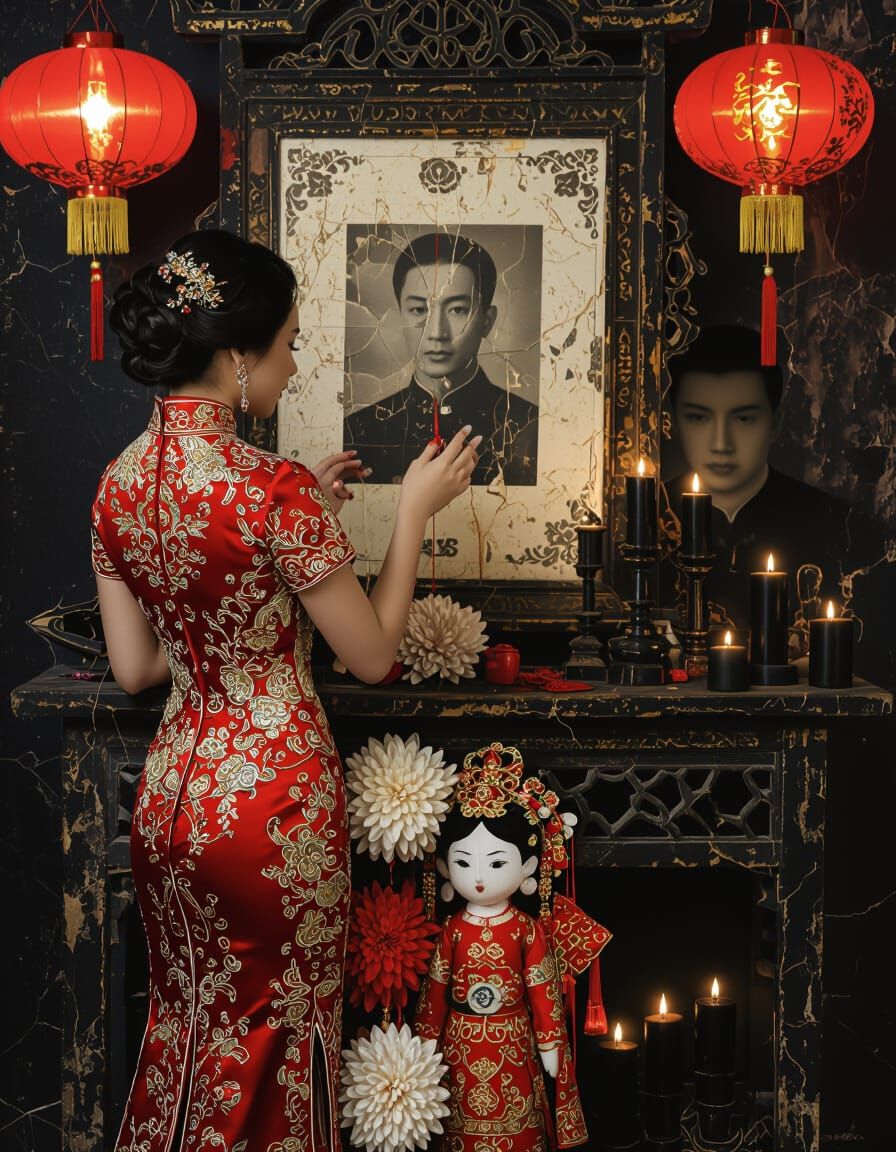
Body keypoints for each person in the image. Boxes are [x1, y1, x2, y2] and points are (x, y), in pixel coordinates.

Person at [91, 228, 480, 1152]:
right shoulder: (272, 492)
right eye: (289, 344)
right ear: (237, 357)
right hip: (273, 805)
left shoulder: (118, 484)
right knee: (279, 1031)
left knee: (189, 1031)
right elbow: (373, 655)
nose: (294, 365)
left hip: (173, 798)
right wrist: (411, 513)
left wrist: (289, 539)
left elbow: (137, 669)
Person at [661, 324, 883, 646]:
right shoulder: (644, 521)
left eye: (744, 419)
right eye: (699, 417)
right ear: (673, 421)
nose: (721, 443)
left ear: (775, 422)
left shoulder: (836, 527)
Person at [414, 743, 589, 1151]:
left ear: (528, 868)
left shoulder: (526, 930)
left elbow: (542, 991)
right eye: (463, 863)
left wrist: (549, 1043)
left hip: (513, 1037)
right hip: (459, 1041)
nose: (478, 878)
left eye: (495, 863)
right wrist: (425, 1041)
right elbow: (435, 991)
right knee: (458, 1118)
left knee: (518, 1116)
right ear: (444, 868)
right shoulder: (452, 930)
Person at [343, 230, 539, 486]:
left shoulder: (530, 425)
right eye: (418, 310)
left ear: (487, 321)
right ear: (400, 316)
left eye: (457, 310)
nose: (436, 332)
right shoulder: (358, 431)